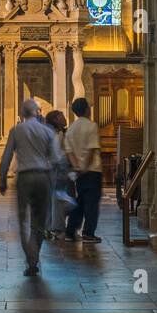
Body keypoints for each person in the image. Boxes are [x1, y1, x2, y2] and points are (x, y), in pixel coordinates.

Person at [0, 98, 62, 276]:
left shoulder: (16, 130)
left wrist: (2, 179)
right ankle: (34, 257)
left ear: (22, 113)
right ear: (37, 113)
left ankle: (31, 259)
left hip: (24, 177)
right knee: (39, 221)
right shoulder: (47, 131)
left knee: (22, 221)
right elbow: (56, 159)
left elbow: (6, 156)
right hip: (42, 177)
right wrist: (52, 179)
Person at [64, 97, 103, 243]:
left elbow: (69, 151)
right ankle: (88, 233)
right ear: (87, 109)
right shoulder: (91, 126)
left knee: (80, 201)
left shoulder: (71, 129)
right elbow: (92, 149)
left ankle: (70, 232)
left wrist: (77, 167)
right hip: (92, 170)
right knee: (91, 203)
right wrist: (85, 167)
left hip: (78, 171)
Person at [43, 109, 76, 238]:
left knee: (54, 200)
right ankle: (57, 229)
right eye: (61, 116)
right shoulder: (57, 134)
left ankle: (49, 227)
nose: (64, 118)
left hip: (53, 170)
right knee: (59, 201)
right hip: (57, 170)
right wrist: (68, 168)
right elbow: (59, 155)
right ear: (56, 119)